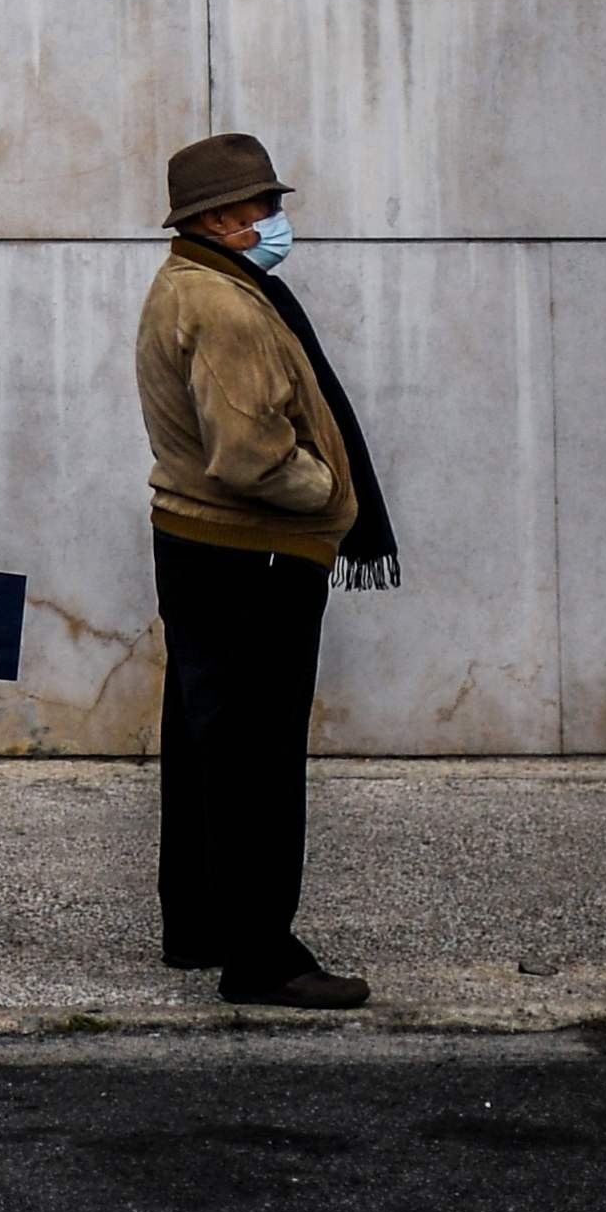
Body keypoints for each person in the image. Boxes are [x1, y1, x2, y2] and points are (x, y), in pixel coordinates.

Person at [134, 133, 394, 1012]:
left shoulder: (191, 283)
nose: (276, 222)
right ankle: (261, 956)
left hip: (206, 546)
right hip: (253, 553)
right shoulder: (229, 307)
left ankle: (200, 923)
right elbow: (248, 455)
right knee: (256, 756)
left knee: (208, 744)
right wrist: (329, 491)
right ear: (217, 219)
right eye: (263, 209)